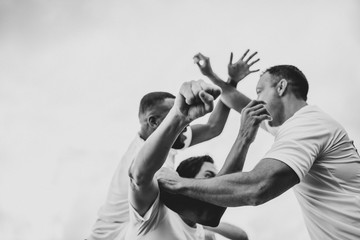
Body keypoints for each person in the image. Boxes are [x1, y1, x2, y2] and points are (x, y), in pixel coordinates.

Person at [157, 52, 360, 240]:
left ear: (280, 87)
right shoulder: (297, 124)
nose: (256, 100)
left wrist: (179, 183)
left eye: (259, 91)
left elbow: (257, 187)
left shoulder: (306, 127)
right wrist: (221, 77)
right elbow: (235, 101)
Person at [126, 80, 269, 239]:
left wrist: (230, 82)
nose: (218, 181)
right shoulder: (155, 210)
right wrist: (179, 117)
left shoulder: (201, 233)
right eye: (208, 175)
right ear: (185, 178)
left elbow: (239, 235)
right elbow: (139, 176)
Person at [88, 86, 232, 238]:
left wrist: (230, 83)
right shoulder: (146, 162)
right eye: (175, 115)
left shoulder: (169, 142)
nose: (185, 125)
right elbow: (204, 214)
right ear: (154, 122)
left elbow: (212, 127)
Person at [176, 155, 249, 240]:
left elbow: (242, 237)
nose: (215, 184)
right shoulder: (161, 208)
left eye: (216, 179)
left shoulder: (200, 232)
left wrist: (202, 221)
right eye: (208, 175)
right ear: (187, 179)